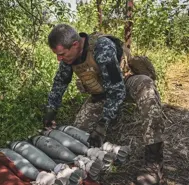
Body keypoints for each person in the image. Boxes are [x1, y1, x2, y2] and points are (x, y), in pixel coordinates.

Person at [42, 24, 166, 185]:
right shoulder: (68, 58)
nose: (59, 59)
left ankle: (153, 163)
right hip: (101, 93)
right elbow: (59, 84)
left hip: (125, 83)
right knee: (78, 132)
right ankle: (89, 161)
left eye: (61, 54)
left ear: (75, 45)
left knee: (147, 88)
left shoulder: (102, 48)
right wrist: (50, 111)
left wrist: (103, 123)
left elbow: (117, 90)